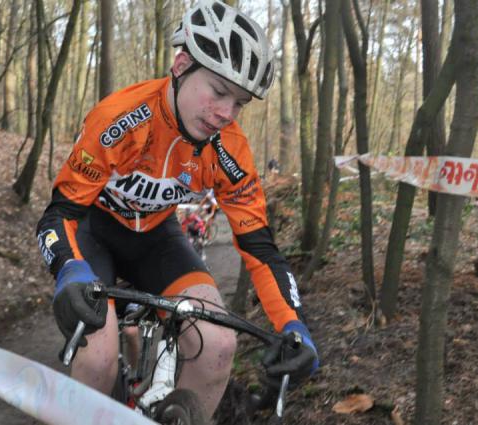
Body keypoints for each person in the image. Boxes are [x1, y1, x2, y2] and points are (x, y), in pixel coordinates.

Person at [36, 0, 318, 418]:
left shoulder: (230, 152)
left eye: (239, 103)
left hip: (156, 238)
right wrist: (67, 269)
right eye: (219, 91)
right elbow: (59, 215)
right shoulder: (120, 119)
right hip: (95, 234)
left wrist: (293, 325)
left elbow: (260, 249)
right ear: (181, 64)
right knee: (97, 358)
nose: (226, 113)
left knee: (219, 347)